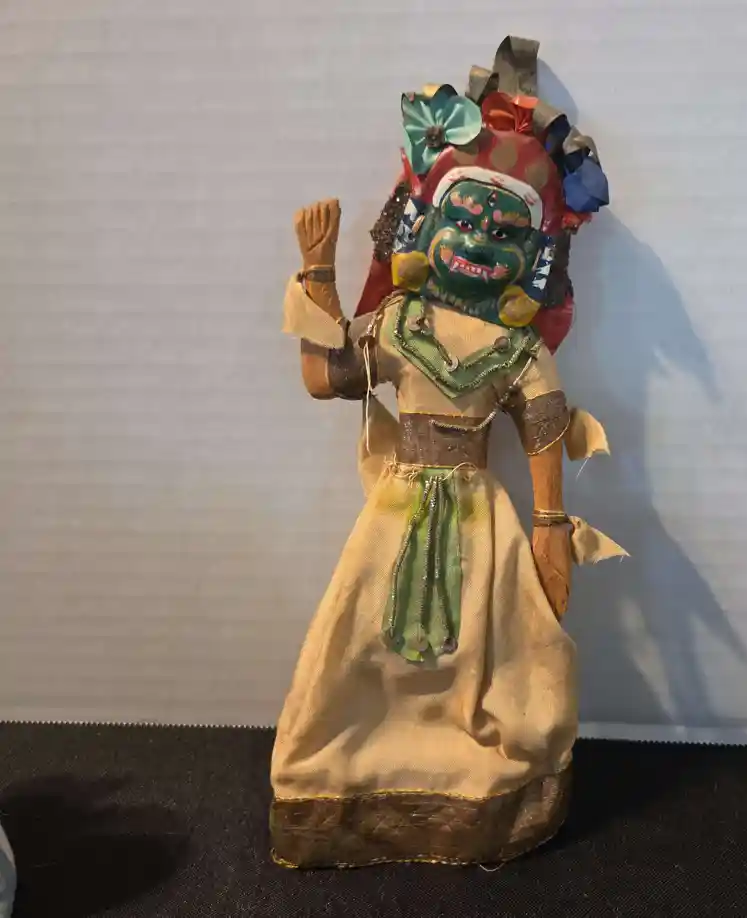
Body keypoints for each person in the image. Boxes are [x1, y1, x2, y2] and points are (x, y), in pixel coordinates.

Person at [270, 37, 626, 868]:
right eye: (461, 217)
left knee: (489, 660)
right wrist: (318, 275)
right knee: (358, 653)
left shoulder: (521, 354)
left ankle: (480, 787)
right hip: (395, 516)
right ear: (423, 223)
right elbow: (325, 379)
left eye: (502, 229)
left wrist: (550, 531)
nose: (477, 237)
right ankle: (345, 781)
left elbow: (544, 439)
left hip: (481, 528)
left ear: (534, 257)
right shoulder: (399, 324)